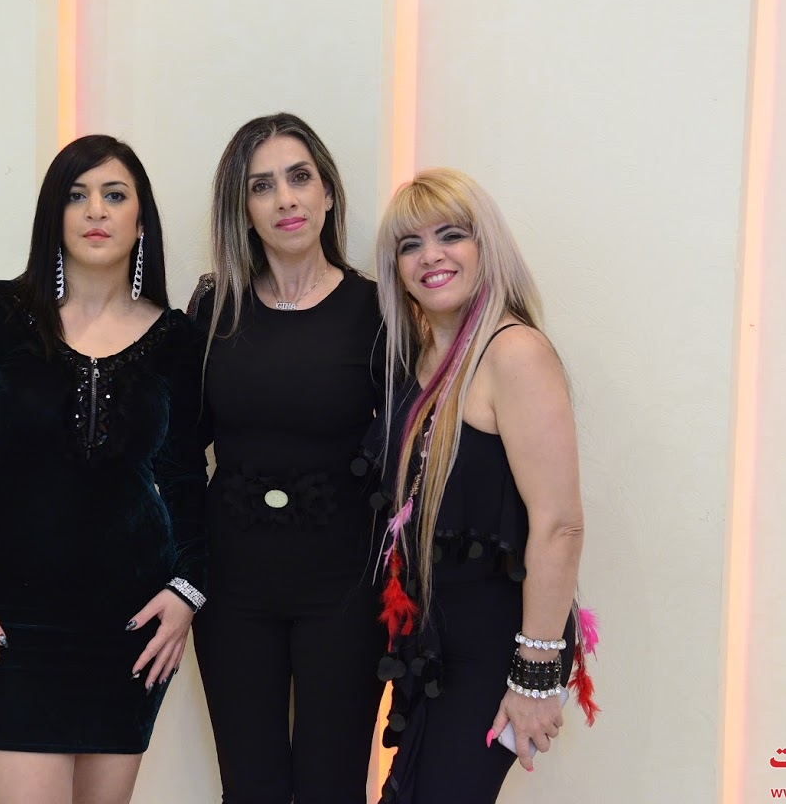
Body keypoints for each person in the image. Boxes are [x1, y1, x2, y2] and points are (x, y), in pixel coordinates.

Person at [0, 134, 207, 804]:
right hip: (8, 621)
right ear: (54, 214)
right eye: (76, 196)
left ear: (141, 219)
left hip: (129, 628)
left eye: (114, 195)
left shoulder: (178, 340)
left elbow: (187, 477)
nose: (95, 210)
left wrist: (187, 589)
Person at [372, 168, 597, 803]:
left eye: (451, 235)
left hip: (500, 646)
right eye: (410, 244)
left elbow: (560, 525)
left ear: (486, 247)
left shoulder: (514, 353)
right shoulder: (419, 360)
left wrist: (535, 674)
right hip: (433, 645)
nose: (430, 255)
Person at [187, 112, 386, 804]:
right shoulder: (214, 309)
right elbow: (177, 452)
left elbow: (407, 452)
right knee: (250, 788)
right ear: (243, 210)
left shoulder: (378, 309)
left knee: (335, 788)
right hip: (231, 591)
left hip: (345, 591)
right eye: (262, 186)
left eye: (299, 178)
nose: (286, 199)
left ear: (327, 192)